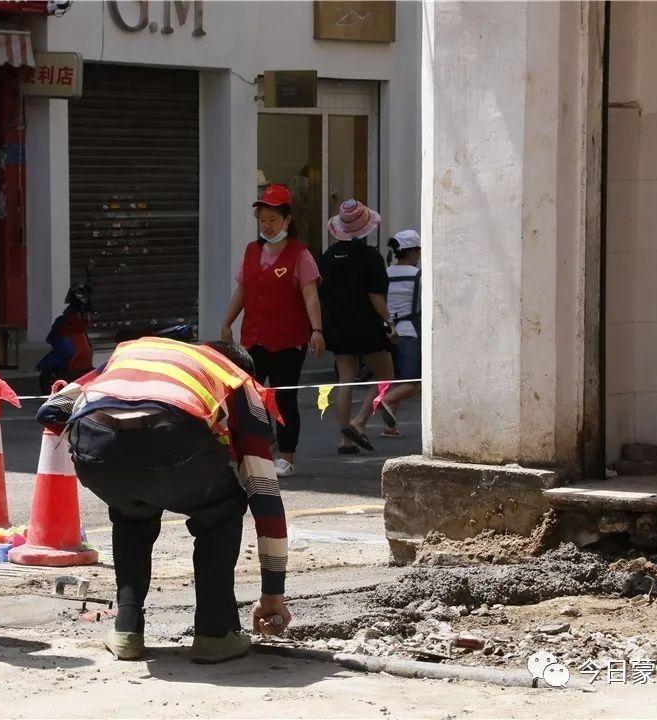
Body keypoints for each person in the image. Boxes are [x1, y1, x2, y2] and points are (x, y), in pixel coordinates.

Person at [37, 337, 291, 664]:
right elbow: (265, 495)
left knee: (131, 512)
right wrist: (272, 593)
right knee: (222, 511)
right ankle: (216, 634)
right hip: (175, 444)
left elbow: (51, 409)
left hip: (95, 445)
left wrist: (115, 450)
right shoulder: (236, 381)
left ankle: (126, 631)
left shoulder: (136, 354)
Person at [220, 184, 324, 478]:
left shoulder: (300, 254)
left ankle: (287, 456)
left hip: (288, 340)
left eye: (273, 220)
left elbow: (310, 295)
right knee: (248, 397)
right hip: (254, 336)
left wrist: (317, 329)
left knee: (283, 398)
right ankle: (249, 450)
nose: (266, 226)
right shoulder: (252, 251)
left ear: (287, 221)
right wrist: (227, 322)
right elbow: (242, 290)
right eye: (262, 220)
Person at [319, 199, 396, 453]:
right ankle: (360, 420)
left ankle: (345, 439)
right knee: (385, 374)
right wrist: (389, 321)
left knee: (345, 378)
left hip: (337, 324)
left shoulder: (328, 257)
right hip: (366, 324)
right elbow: (376, 297)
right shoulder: (370, 256)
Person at [380, 230, 422, 437]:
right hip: (408, 331)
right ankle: (385, 401)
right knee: (413, 382)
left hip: (387, 330)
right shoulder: (417, 275)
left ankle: (390, 427)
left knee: (395, 378)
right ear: (413, 251)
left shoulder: (386, 272)